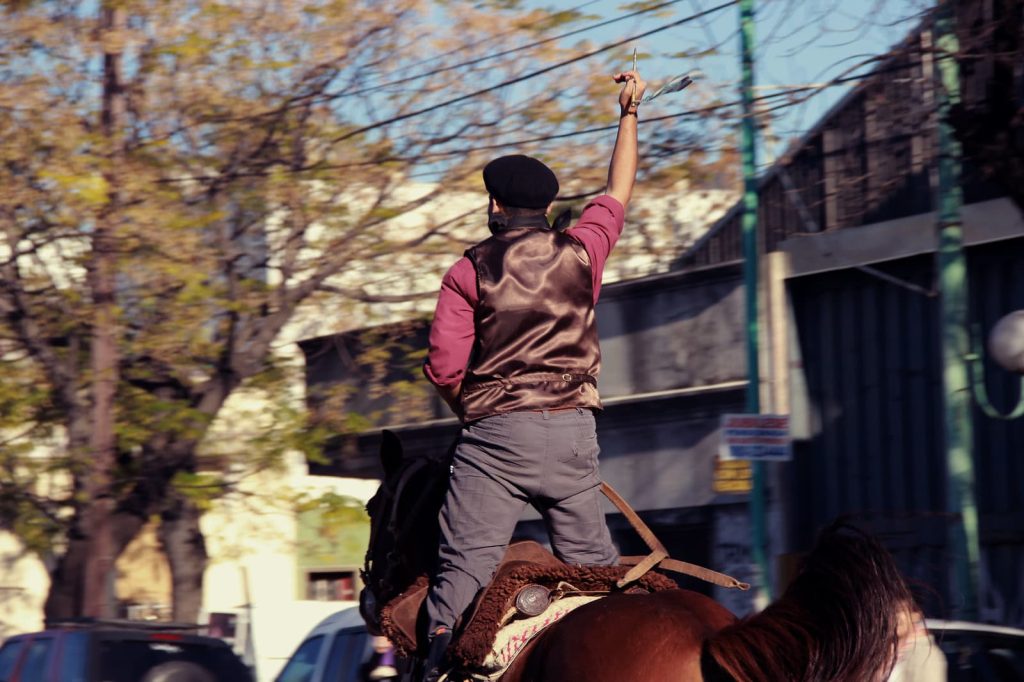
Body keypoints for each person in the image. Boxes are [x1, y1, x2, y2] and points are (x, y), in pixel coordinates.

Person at [419, 67, 648, 681]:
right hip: (575, 434)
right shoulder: (582, 250)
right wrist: (628, 112)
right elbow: (618, 188)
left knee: (464, 567)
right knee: (597, 572)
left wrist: (467, 409)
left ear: (494, 205)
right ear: (545, 207)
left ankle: (437, 670)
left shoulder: (468, 271)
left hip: (496, 439)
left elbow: (445, 367)